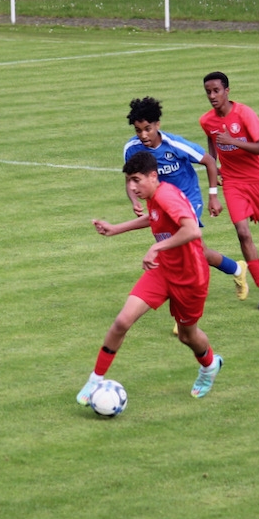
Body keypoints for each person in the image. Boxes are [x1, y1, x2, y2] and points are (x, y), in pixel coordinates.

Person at [77, 151, 224, 405]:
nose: (133, 188)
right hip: (163, 270)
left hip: (190, 277)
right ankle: (95, 380)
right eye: (129, 181)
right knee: (122, 321)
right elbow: (154, 217)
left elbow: (192, 230)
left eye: (136, 180)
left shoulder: (167, 195)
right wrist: (116, 228)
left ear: (153, 176)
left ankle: (209, 366)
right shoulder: (155, 196)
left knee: (187, 336)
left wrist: (157, 247)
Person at [124, 96, 249, 309]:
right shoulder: (131, 149)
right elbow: (131, 178)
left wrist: (213, 196)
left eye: (147, 129)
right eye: (138, 130)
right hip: (162, 205)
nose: (143, 135)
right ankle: (237, 269)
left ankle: (183, 311)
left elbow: (209, 161)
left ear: (157, 125)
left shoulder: (175, 145)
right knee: (198, 252)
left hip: (189, 200)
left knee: (181, 251)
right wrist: (134, 200)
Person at [199, 71, 259, 311]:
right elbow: (212, 144)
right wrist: (215, 169)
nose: (212, 96)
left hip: (257, 180)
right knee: (242, 232)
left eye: (216, 91)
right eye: (208, 92)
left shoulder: (245, 114)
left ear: (227, 91)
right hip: (233, 183)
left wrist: (233, 141)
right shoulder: (206, 121)